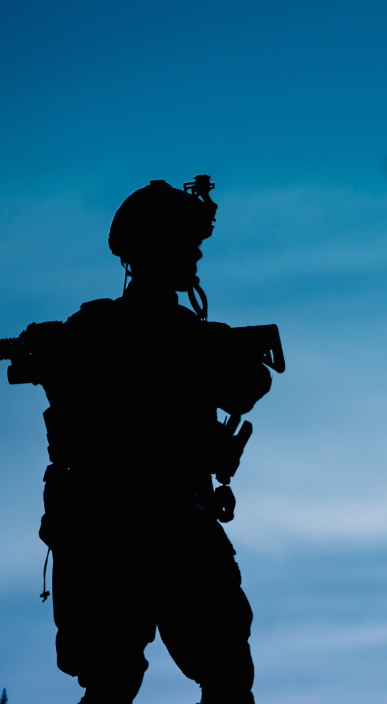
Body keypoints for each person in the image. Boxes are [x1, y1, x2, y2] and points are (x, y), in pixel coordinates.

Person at [37, 178, 274, 704]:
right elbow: (74, 416)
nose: (194, 256)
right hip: (112, 527)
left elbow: (246, 384)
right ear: (154, 249)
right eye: (185, 244)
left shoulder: (181, 333)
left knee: (227, 675)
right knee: (112, 679)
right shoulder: (95, 331)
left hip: (178, 521)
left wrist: (163, 339)